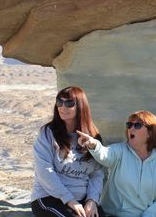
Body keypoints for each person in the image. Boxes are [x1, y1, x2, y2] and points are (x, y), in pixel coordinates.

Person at [77, 110, 156, 217]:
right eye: (129, 125)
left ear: (150, 133)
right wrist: (93, 144)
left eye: (137, 125)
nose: (131, 128)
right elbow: (104, 154)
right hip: (112, 214)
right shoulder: (119, 151)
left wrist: (150, 215)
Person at [31, 86, 106, 217]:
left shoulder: (92, 137)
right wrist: (69, 199)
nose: (62, 107)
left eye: (69, 103)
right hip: (50, 198)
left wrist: (92, 200)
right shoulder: (48, 133)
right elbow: (44, 170)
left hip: (82, 201)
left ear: (81, 107)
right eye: (59, 102)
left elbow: (97, 173)